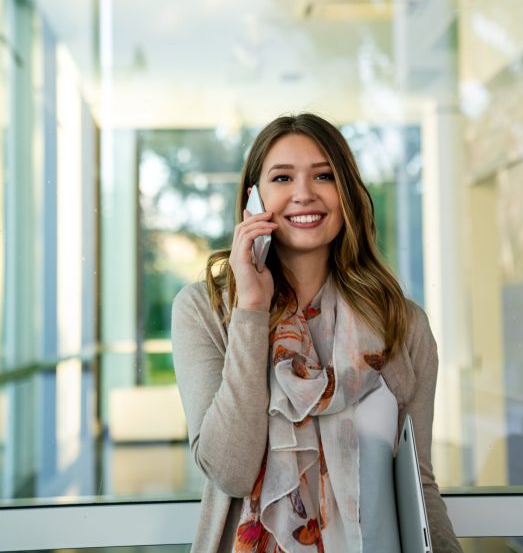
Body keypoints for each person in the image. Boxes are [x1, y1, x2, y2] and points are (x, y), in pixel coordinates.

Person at [172, 113, 462, 552]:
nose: (304, 194)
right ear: (253, 199)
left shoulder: (401, 324)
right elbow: (230, 470)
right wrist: (251, 310)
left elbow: (419, 482)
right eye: (282, 177)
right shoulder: (205, 311)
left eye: (323, 175)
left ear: (346, 192)